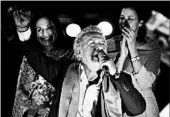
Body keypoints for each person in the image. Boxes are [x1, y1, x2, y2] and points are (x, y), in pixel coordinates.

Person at [58, 25, 146, 117]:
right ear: (79, 53)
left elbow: (138, 109)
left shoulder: (118, 79)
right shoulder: (61, 73)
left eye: (102, 43)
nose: (99, 47)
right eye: (92, 43)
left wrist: (116, 74)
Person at [10, 7, 73, 117]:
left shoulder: (69, 56)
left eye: (49, 28)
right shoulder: (28, 57)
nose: (45, 33)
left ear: (57, 29)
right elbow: (21, 91)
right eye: (39, 29)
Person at [107, 5, 161, 117]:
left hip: (142, 106)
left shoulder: (151, 47)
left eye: (130, 19)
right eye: (122, 18)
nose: (124, 22)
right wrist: (122, 56)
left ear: (140, 22)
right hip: (114, 105)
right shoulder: (109, 45)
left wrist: (132, 49)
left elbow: (145, 83)